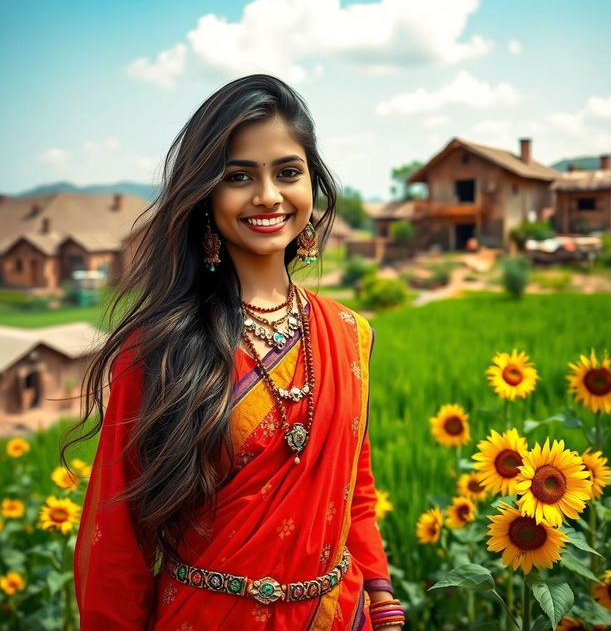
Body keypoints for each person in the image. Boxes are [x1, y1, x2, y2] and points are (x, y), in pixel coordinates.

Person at [66, 74, 405, 630]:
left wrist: (381, 598)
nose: (268, 195)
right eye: (238, 176)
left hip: (338, 617)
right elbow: (115, 543)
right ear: (205, 196)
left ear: (311, 186)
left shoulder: (349, 334)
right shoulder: (158, 350)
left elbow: (354, 495)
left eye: (288, 172)